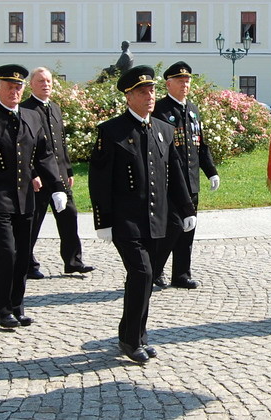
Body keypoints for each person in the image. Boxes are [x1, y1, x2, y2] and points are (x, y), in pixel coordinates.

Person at [89, 65, 196, 363]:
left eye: (151, 90)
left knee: (144, 279)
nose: (150, 96)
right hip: (126, 221)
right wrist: (103, 220)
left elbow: (174, 173)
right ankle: (130, 340)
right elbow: (98, 180)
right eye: (142, 91)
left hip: (157, 219)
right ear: (128, 97)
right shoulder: (111, 131)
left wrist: (186, 209)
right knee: (142, 273)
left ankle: (134, 334)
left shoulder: (163, 129)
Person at [0, 64, 68, 329]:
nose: (14, 91)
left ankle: (17, 305)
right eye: (9, 86)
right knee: (7, 252)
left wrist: (57, 186)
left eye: (18, 86)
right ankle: (1, 308)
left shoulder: (32, 117)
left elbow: (44, 154)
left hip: (25, 197)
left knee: (23, 254)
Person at [20, 67, 94, 278]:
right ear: (31, 84)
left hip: (59, 175)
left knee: (69, 216)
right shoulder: (25, 110)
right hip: (39, 178)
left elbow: (60, 143)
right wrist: (31, 173)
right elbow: (24, 147)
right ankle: (26, 263)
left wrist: (68, 169)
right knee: (33, 221)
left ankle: (73, 261)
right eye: (41, 81)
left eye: (49, 81)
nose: (46, 85)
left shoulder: (55, 108)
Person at [151, 61, 219, 289]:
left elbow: (200, 144)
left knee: (188, 229)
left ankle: (181, 273)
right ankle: (154, 270)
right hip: (170, 181)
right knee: (171, 228)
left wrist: (210, 171)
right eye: (180, 81)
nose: (185, 85)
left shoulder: (191, 109)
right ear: (168, 84)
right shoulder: (161, 110)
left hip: (191, 180)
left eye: (187, 81)